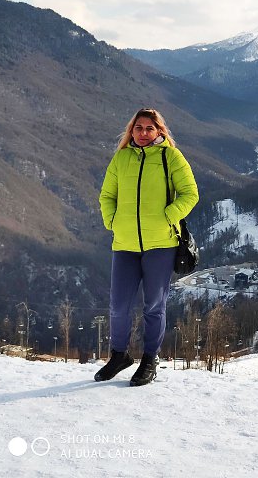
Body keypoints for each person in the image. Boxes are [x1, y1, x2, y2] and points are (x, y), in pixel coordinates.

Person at [94, 108, 199, 386]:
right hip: (125, 244)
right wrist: (112, 221)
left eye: (149, 128)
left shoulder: (170, 157)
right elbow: (107, 195)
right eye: (138, 128)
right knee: (119, 305)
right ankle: (119, 355)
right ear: (132, 130)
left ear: (159, 131)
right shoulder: (121, 158)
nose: (143, 133)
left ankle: (150, 358)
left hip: (160, 244)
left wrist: (168, 216)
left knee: (153, 305)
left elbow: (190, 194)